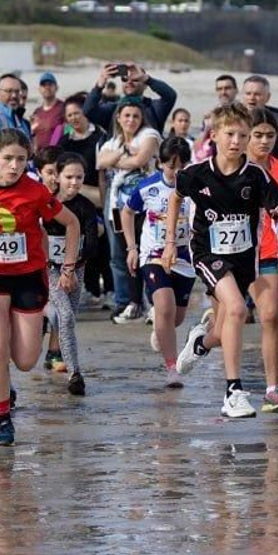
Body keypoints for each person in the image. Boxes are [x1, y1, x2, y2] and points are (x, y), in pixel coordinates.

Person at [170, 104, 278, 418]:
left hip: (242, 259)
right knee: (239, 309)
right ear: (214, 136)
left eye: (243, 135)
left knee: (225, 324)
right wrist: (171, 242)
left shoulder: (255, 174)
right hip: (206, 254)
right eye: (230, 134)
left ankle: (201, 343)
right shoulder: (197, 173)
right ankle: (233, 393)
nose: (236, 141)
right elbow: (176, 196)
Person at [0, 130, 80, 447]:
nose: (14, 166)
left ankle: (29, 330)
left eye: (21, 159)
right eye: (7, 159)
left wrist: (67, 266)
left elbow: (71, 224)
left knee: (25, 360)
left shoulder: (36, 191)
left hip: (28, 276)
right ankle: (3, 421)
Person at [123, 136, 195, 387]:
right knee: (165, 308)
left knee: (176, 318)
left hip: (185, 258)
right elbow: (128, 211)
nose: (176, 171)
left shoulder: (194, 188)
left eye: (182, 166)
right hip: (153, 255)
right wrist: (131, 247)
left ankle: (160, 329)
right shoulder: (147, 187)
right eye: (171, 165)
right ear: (160, 163)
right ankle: (172, 367)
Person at [97, 97, 160, 324]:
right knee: (119, 255)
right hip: (116, 205)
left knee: (147, 253)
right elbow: (102, 162)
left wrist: (121, 160)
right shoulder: (111, 141)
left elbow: (140, 160)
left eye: (135, 115)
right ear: (118, 117)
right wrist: (123, 153)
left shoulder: (149, 135)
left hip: (146, 205)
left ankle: (151, 302)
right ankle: (127, 302)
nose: (131, 120)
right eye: (127, 115)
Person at [43, 152, 98, 395]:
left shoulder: (85, 206)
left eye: (79, 177)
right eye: (69, 177)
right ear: (57, 177)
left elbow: (93, 243)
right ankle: (75, 373)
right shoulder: (45, 202)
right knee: (64, 316)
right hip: (49, 268)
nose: (74, 183)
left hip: (76, 269)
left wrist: (73, 268)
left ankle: (54, 350)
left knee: (67, 320)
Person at [86, 62, 177, 134]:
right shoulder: (112, 109)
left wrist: (147, 79)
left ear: (145, 85)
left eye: (135, 79)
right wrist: (100, 84)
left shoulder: (154, 108)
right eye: (125, 79)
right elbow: (88, 111)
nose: (129, 82)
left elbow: (170, 96)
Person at [30, 73, 65, 152]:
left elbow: (71, 129)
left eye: (50, 84)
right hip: (39, 155)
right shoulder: (37, 112)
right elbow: (33, 134)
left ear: (56, 88)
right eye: (44, 85)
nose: (47, 87)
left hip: (57, 153)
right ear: (39, 89)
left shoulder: (63, 107)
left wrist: (57, 136)